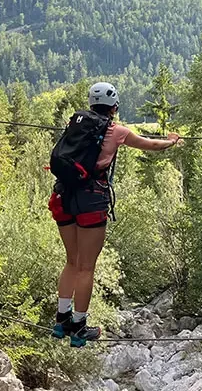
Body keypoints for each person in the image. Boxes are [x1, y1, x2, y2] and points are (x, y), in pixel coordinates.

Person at [48, 81, 181, 347]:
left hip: (63, 195)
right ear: (115, 107)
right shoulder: (117, 130)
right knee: (86, 267)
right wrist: (171, 141)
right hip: (91, 201)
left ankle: (61, 321)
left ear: (91, 104)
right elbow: (150, 145)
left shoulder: (76, 123)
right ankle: (79, 327)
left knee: (71, 262)